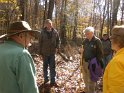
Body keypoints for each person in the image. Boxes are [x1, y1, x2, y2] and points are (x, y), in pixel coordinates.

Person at [0, 21, 39, 93]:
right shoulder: (22, 54)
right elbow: (30, 89)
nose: (30, 39)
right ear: (21, 35)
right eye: (29, 36)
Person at [39, 19, 60, 87]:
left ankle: (53, 81)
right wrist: (40, 53)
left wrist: (57, 47)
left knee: (52, 67)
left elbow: (58, 40)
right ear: (45, 24)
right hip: (44, 52)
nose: (49, 25)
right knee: (45, 67)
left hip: (52, 53)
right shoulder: (42, 32)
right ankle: (46, 79)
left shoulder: (55, 32)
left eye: (50, 23)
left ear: (52, 24)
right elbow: (40, 42)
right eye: (48, 24)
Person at [82, 27, 103, 93]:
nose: (86, 35)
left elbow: (100, 53)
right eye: (85, 34)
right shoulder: (85, 41)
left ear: (92, 33)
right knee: (85, 78)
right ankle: (86, 90)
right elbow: (82, 50)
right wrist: (80, 51)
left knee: (91, 79)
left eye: (87, 34)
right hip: (84, 61)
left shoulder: (97, 41)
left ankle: (91, 91)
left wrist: (96, 62)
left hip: (92, 63)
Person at [103, 25, 124, 93]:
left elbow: (116, 89)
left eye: (112, 38)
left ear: (118, 41)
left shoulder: (117, 62)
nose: (110, 40)